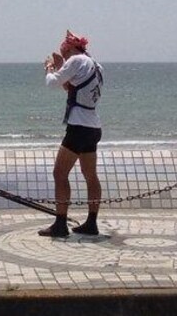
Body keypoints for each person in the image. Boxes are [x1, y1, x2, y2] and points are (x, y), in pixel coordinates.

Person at [39, 30, 104, 238]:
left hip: (78, 126)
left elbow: (51, 83)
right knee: (90, 175)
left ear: (69, 48)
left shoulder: (75, 60)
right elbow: (73, 88)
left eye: (64, 53)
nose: (64, 57)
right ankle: (91, 222)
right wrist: (61, 67)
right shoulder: (96, 65)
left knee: (59, 173)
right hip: (93, 125)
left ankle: (60, 224)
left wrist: (50, 68)